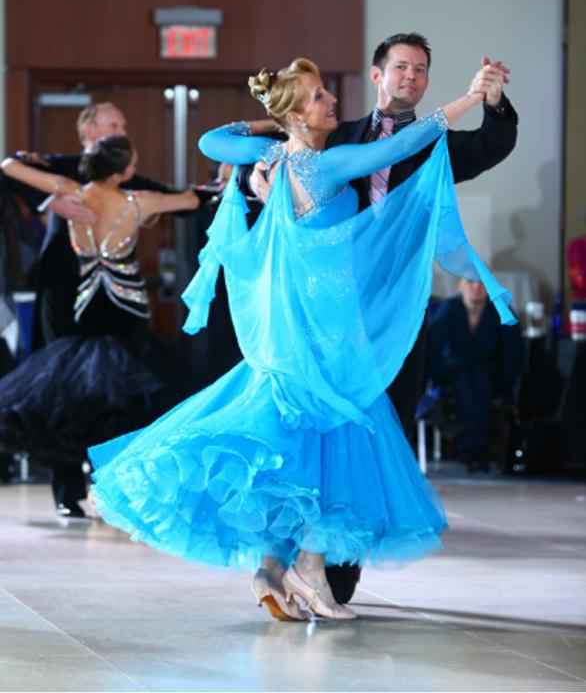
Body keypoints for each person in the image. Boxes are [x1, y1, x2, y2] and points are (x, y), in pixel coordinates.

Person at [87, 58, 516, 622]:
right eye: (317, 98)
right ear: (298, 112)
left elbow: (214, 141)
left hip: (298, 325)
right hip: (332, 325)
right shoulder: (330, 164)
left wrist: (272, 129)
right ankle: (310, 568)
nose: (330, 103)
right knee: (342, 437)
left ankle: (271, 568)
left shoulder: (275, 158)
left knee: (296, 444)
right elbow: (406, 141)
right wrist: (464, 99)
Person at [240, 32, 518, 602]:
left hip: (399, 310)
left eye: (420, 69)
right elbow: (267, 158)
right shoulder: (333, 136)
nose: (411, 76)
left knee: (383, 425)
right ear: (377, 74)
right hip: (331, 310)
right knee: (321, 429)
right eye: (401, 67)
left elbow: (491, 146)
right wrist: (254, 174)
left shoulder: (434, 146)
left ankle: (334, 573)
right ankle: (295, 563)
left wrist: (491, 101)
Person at [1, 103, 187, 517]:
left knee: (120, 383)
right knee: (60, 384)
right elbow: (8, 166)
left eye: (123, 123)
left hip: (114, 298)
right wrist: (52, 202)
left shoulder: (128, 176)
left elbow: (176, 197)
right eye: (114, 124)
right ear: (89, 131)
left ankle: (115, 486)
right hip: (62, 290)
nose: (123, 128)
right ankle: (68, 490)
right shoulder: (62, 169)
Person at [427, 279, 523, 472]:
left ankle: (472, 447)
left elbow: (513, 351)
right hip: (454, 373)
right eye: (470, 282)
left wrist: (508, 382)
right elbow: (433, 348)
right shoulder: (449, 308)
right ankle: (477, 448)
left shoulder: (500, 309)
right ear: (460, 285)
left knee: (480, 381)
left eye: (482, 283)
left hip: (489, 374)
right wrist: (435, 378)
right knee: (465, 383)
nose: (476, 287)